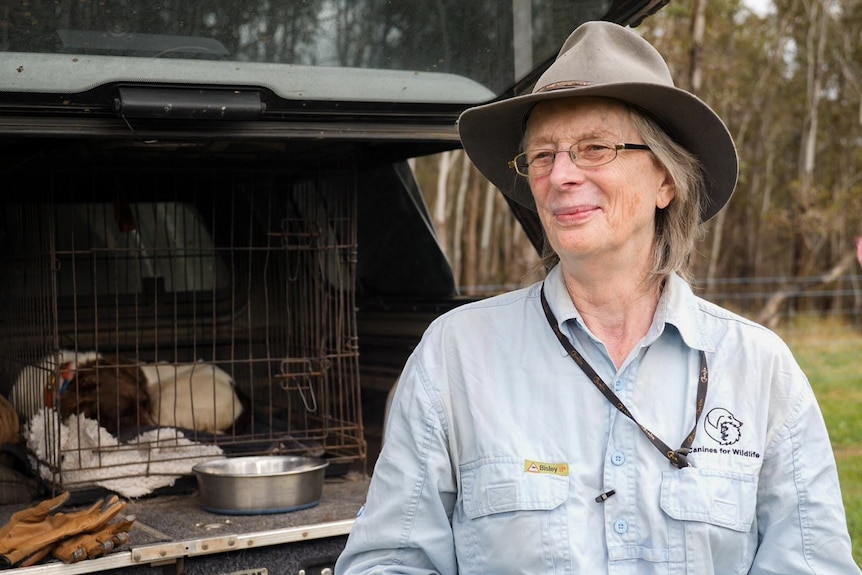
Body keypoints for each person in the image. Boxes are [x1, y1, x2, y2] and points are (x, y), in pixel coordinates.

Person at [335, 20, 860, 575]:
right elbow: (387, 562)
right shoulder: (455, 356)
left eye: (594, 148)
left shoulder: (760, 371)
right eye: (542, 156)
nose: (561, 175)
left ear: (666, 181)